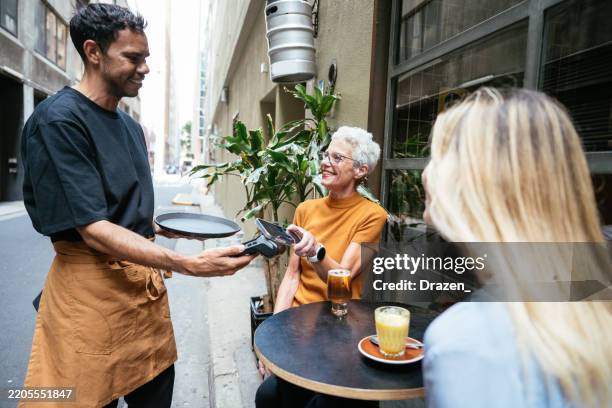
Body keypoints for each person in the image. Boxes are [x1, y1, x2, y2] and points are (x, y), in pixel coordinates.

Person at [19, 4, 254, 408]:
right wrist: (187, 264)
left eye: (145, 57)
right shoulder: (58, 121)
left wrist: (169, 229)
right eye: (133, 57)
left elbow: (127, 213)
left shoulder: (131, 127)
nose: (145, 67)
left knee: (156, 393)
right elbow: (92, 227)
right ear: (93, 52)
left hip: (142, 299)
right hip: (89, 296)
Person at [421, 88, 612, 407]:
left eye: (438, 156)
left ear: (474, 183)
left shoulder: (467, 341)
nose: (426, 173)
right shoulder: (591, 311)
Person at [255, 126, 388, 408]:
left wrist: (316, 251)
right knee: (268, 397)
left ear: (361, 170)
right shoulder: (306, 209)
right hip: (297, 329)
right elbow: (292, 275)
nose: (326, 162)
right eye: (326, 155)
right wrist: (272, 338)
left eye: (337, 158)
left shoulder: (372, 216)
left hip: (337, 332)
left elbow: (343, 276)